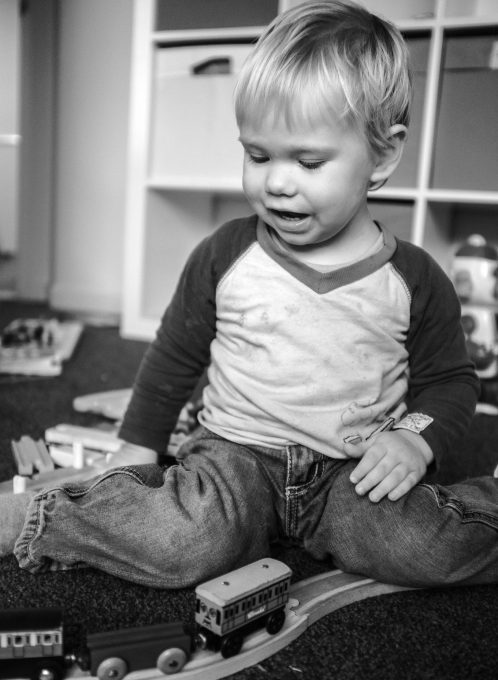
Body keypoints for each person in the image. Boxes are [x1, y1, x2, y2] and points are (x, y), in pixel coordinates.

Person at [2, 0, 497, 589]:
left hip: (351, 471)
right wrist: (137, 446)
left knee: (421, 548)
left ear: (383, 154)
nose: (277, 182)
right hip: (234, 459)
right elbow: (174, 356)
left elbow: (451, 383)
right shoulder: (225, 254)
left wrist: (414, 440)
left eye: (308, 162)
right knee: (185, 543)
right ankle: (35, 518)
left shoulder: (414, 278)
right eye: (257, 155)